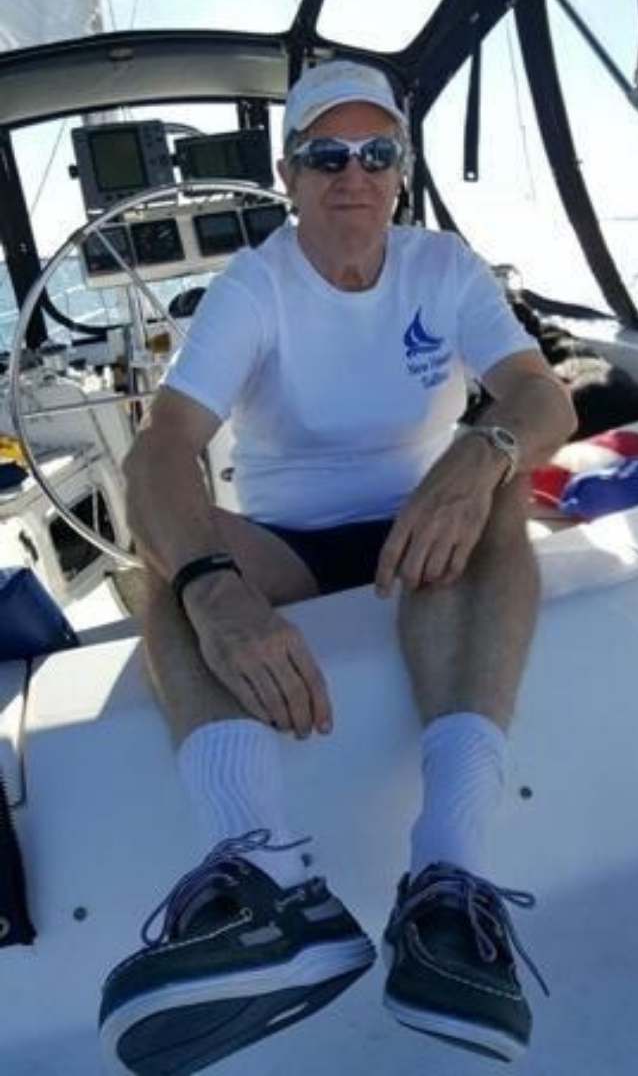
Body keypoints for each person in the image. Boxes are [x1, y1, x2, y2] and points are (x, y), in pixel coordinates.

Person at [98, 60, 576, 1074]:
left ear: (400, 170)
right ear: (289, 174)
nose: (351, 173)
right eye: (325, 155)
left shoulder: (444, 267)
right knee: (170, 554)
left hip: (431, 533)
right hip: (292, 550)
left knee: (500, 495)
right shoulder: (255, 285)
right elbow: (161, 450)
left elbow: (544, 398)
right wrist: (213, 590)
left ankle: (448, 876)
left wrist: (483, 451)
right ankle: (265, 882)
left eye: (375, 152)